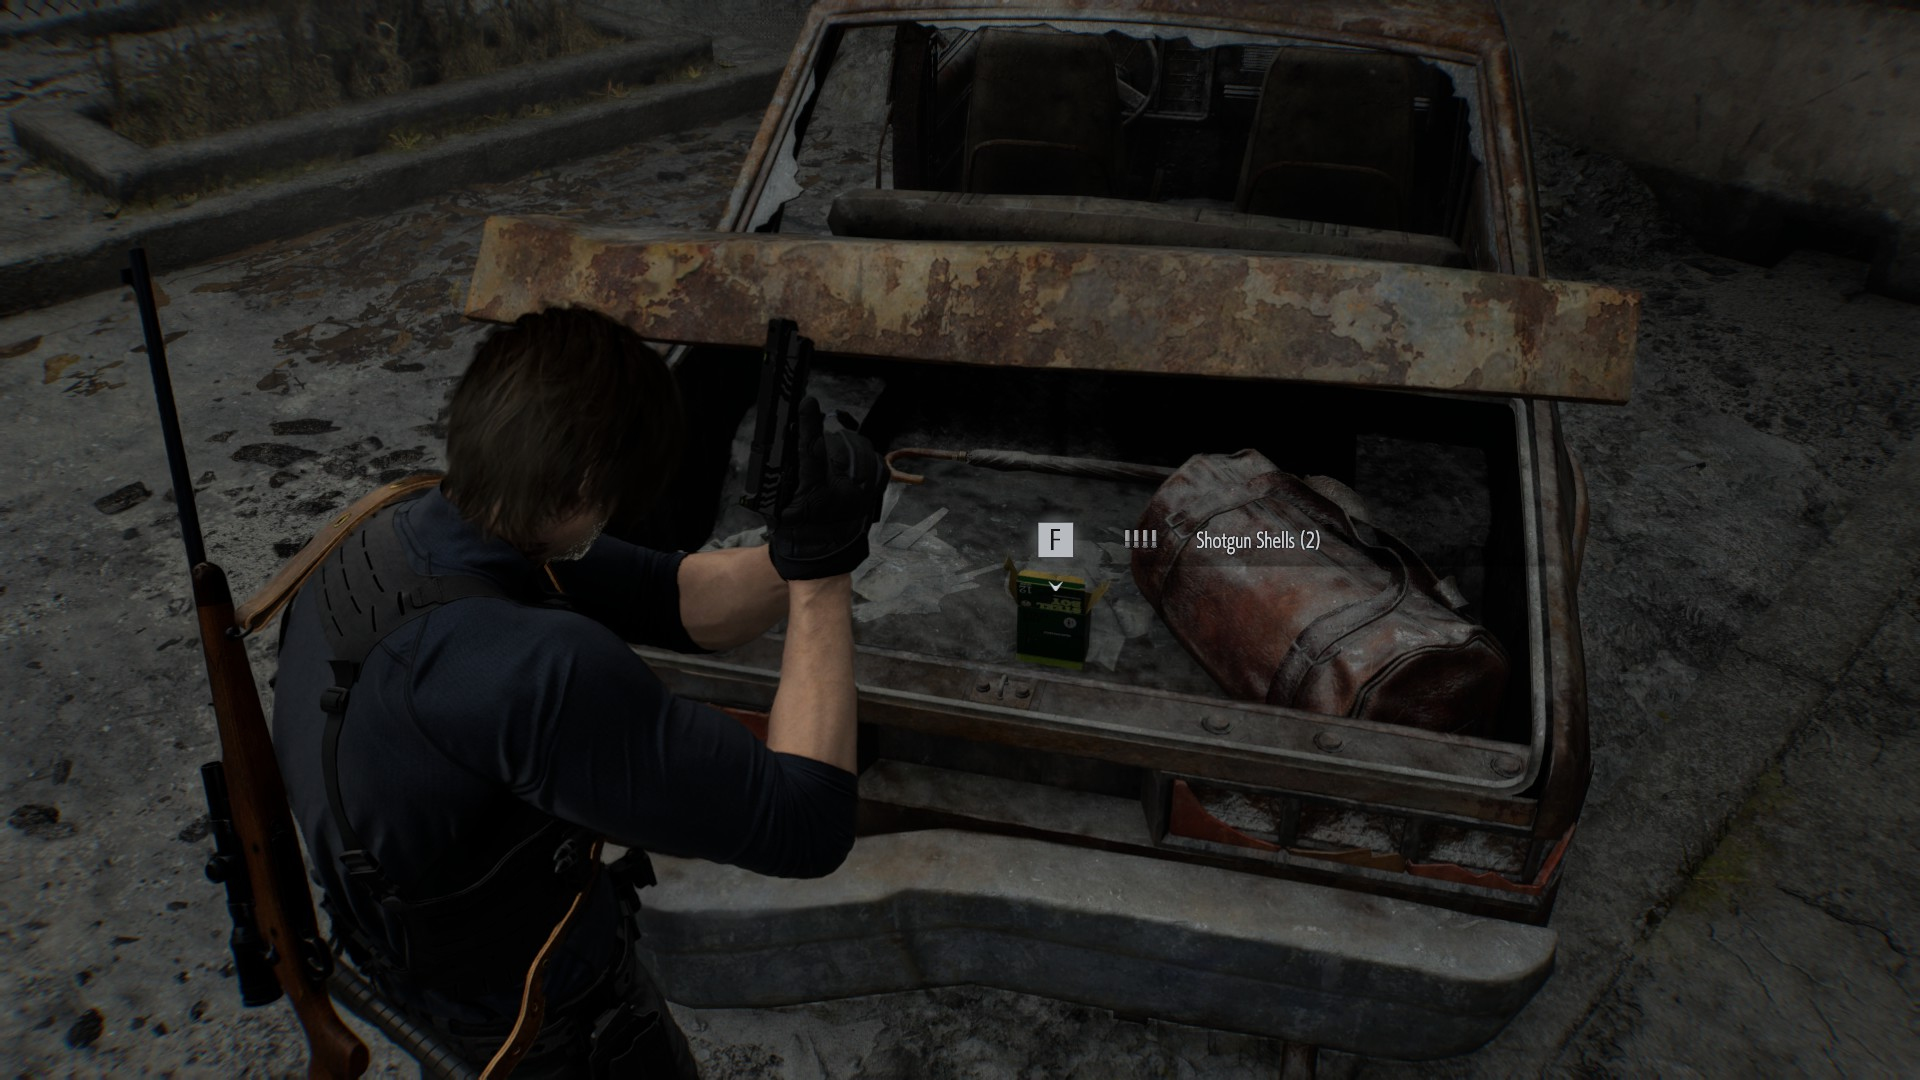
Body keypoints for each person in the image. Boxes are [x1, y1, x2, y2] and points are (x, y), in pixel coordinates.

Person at [270, 307, 888, 1076]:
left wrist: (800, 546)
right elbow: (808, 822)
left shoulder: (414, 528)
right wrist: (823, 583)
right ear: (588, 488)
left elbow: (671, 596)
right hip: (536, 1024)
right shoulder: (534, 670)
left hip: (405, 939)